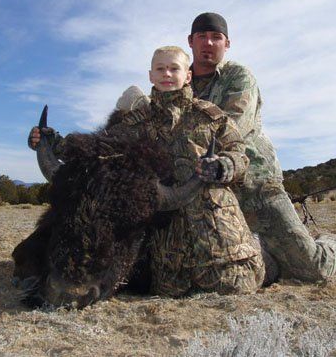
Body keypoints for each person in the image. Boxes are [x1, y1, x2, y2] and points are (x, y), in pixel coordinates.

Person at [115, 12, 336, 282]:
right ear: (190, 42)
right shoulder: (175, 78)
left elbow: (230, 133)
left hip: (255, 187)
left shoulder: (239, 77)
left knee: (312, 268)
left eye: (216, 37)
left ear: (227, 44)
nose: (208, 43)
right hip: (203, 193)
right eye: (202, 37)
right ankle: (266, 255)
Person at [29, 46, 265, 296]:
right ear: (151, 76)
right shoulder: (133, 122)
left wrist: (223, 166)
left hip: (214, 225)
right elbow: (99, 151)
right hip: (164, 238)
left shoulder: (213, 118)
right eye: (160, 69)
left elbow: (240, 154)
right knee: (165, 288)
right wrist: (53, 143)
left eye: (174, 68)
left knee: (235, 284)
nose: (167, 74)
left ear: (187, 76)